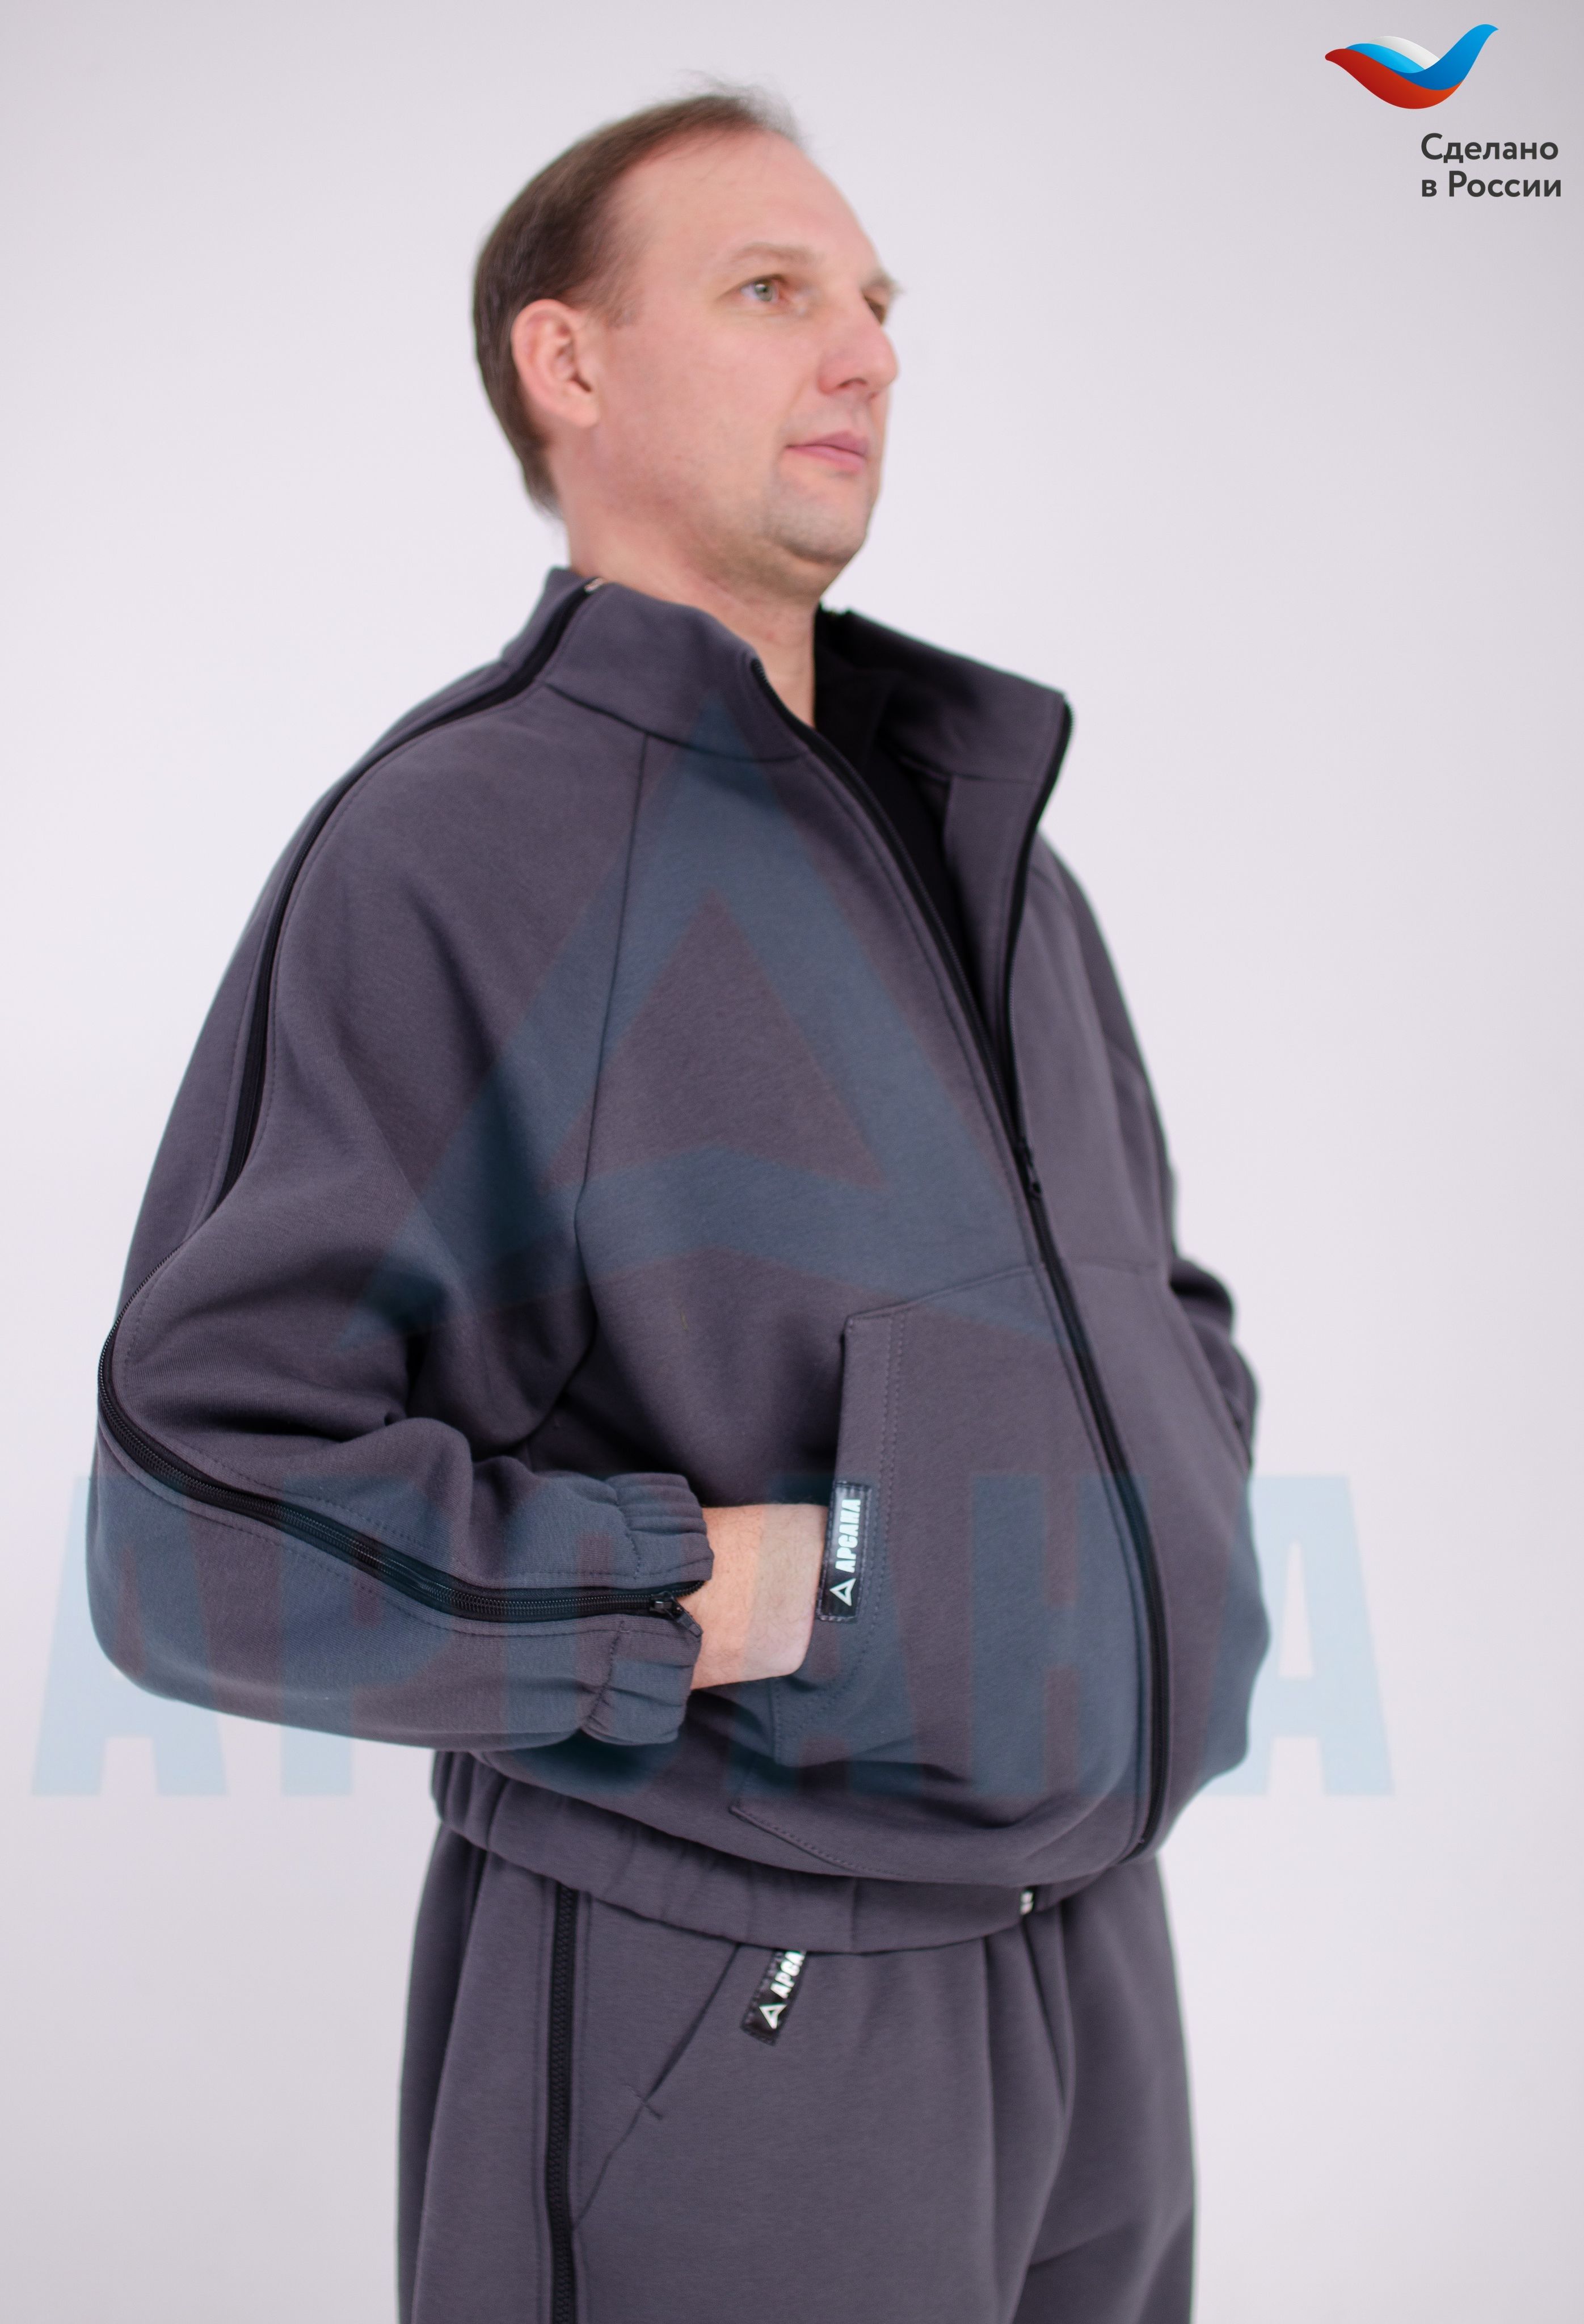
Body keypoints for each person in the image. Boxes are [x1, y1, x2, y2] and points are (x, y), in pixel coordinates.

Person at [90, 87, 1267, 2324]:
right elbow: (202, 1518)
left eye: (876, 304)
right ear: (569, 361)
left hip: (1097, 1972)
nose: (866, 351)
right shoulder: (459, 848)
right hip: (743, 1993)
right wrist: (748, 1585)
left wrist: (1169, 1520)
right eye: (769, 290)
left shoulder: (993, 850)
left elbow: (1149, 1306)